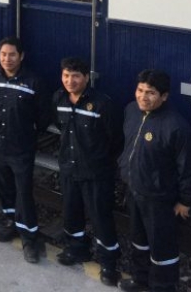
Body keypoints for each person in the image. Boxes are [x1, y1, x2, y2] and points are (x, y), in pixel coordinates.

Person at [118, 70, 191, 292]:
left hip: (159, 199)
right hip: (134, 191)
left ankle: (162, 287)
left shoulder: (175, 126)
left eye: (151, 93)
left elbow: (189, 168)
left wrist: (185, 200)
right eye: (140, 90)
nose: (143, 97)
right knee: (138, 241)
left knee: (162, 249)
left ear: (164, 96)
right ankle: (140, 280)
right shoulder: (131, 111)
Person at [53, 57, 123, 287]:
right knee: (71, 212)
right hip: (69, 169)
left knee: (101, 217)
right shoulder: (59, 98)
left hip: (95, 172)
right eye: (66, 76)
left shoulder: (102, 104)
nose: (70, 81)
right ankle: (76, 250)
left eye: (75, 76)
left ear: (86, 78)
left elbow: (115, 140)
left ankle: (108, 263)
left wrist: (101, 163)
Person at [0, 36, 51, 263]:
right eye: (3, 54)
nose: (7, 59)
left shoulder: (34, 82)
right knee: (4, 186)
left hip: (21, 147)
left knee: (23, 192)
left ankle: (29, 237)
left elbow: (43, 117)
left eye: (12, 54)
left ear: (21, 56)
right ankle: (9, 221)